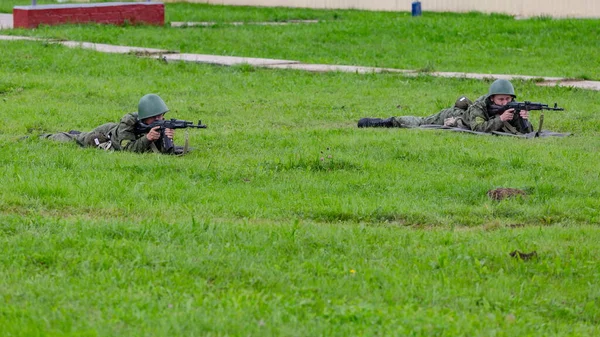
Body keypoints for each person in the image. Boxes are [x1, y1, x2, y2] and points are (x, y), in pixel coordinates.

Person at [43, 93, 184, 154]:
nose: (159, 119)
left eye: (161, 116)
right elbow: (126, 150)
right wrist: (147, 138)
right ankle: (43, 137)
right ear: (145, 117)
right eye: (155, 117)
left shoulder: (157, 125)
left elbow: (163, 152)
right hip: (105, 135)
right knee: (77, 139)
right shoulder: (128, 122)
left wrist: (167, 139)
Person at [464, 79, 533, 134]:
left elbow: (526, 132)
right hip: (463, 117)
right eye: (501, 99)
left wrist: (523, 119)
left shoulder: (513, 106)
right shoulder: (479, 106)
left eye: (508, 98)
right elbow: (477, 128)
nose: (505, 102)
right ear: (492, 98)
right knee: (458, 111)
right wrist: (500, 119)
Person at [357, 95, 473, 128]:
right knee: (422, 122)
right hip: (457, 115)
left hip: (458, 114)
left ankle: (390, 121)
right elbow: (461, 102)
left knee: (423, 121)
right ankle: (390, 122)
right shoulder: (475, 108)